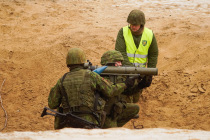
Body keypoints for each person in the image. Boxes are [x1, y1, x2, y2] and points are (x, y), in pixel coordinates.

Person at [48, 48, 131, 129]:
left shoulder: (62, 80)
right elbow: (110, 91)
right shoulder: (91, 76)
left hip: (69, 122)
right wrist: (125, 84)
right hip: (89, 122)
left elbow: (52, 104)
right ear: (82, 60)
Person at [115, 9, 158, 90]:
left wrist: (149, 74)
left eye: (135, 24)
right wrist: (132, 72)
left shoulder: (149, 34)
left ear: (141, 24)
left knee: (135, 95)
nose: (133, 27)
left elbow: (153, 55)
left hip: (140, 75)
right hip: (125, 72)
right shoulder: (123, 32)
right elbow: (120, 53)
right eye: (131, 24)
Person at [100, 50, 140, 128]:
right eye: (118, 62)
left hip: (115, 111)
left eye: (121, 62)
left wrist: (141, 85)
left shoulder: (118, 77)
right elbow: (111, 91)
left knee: (135, 108)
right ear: (110, 63)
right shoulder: (100, 78)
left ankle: (115, 125)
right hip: (105, 114)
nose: (120, 64)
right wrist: (125, 84)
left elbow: (127, 92)